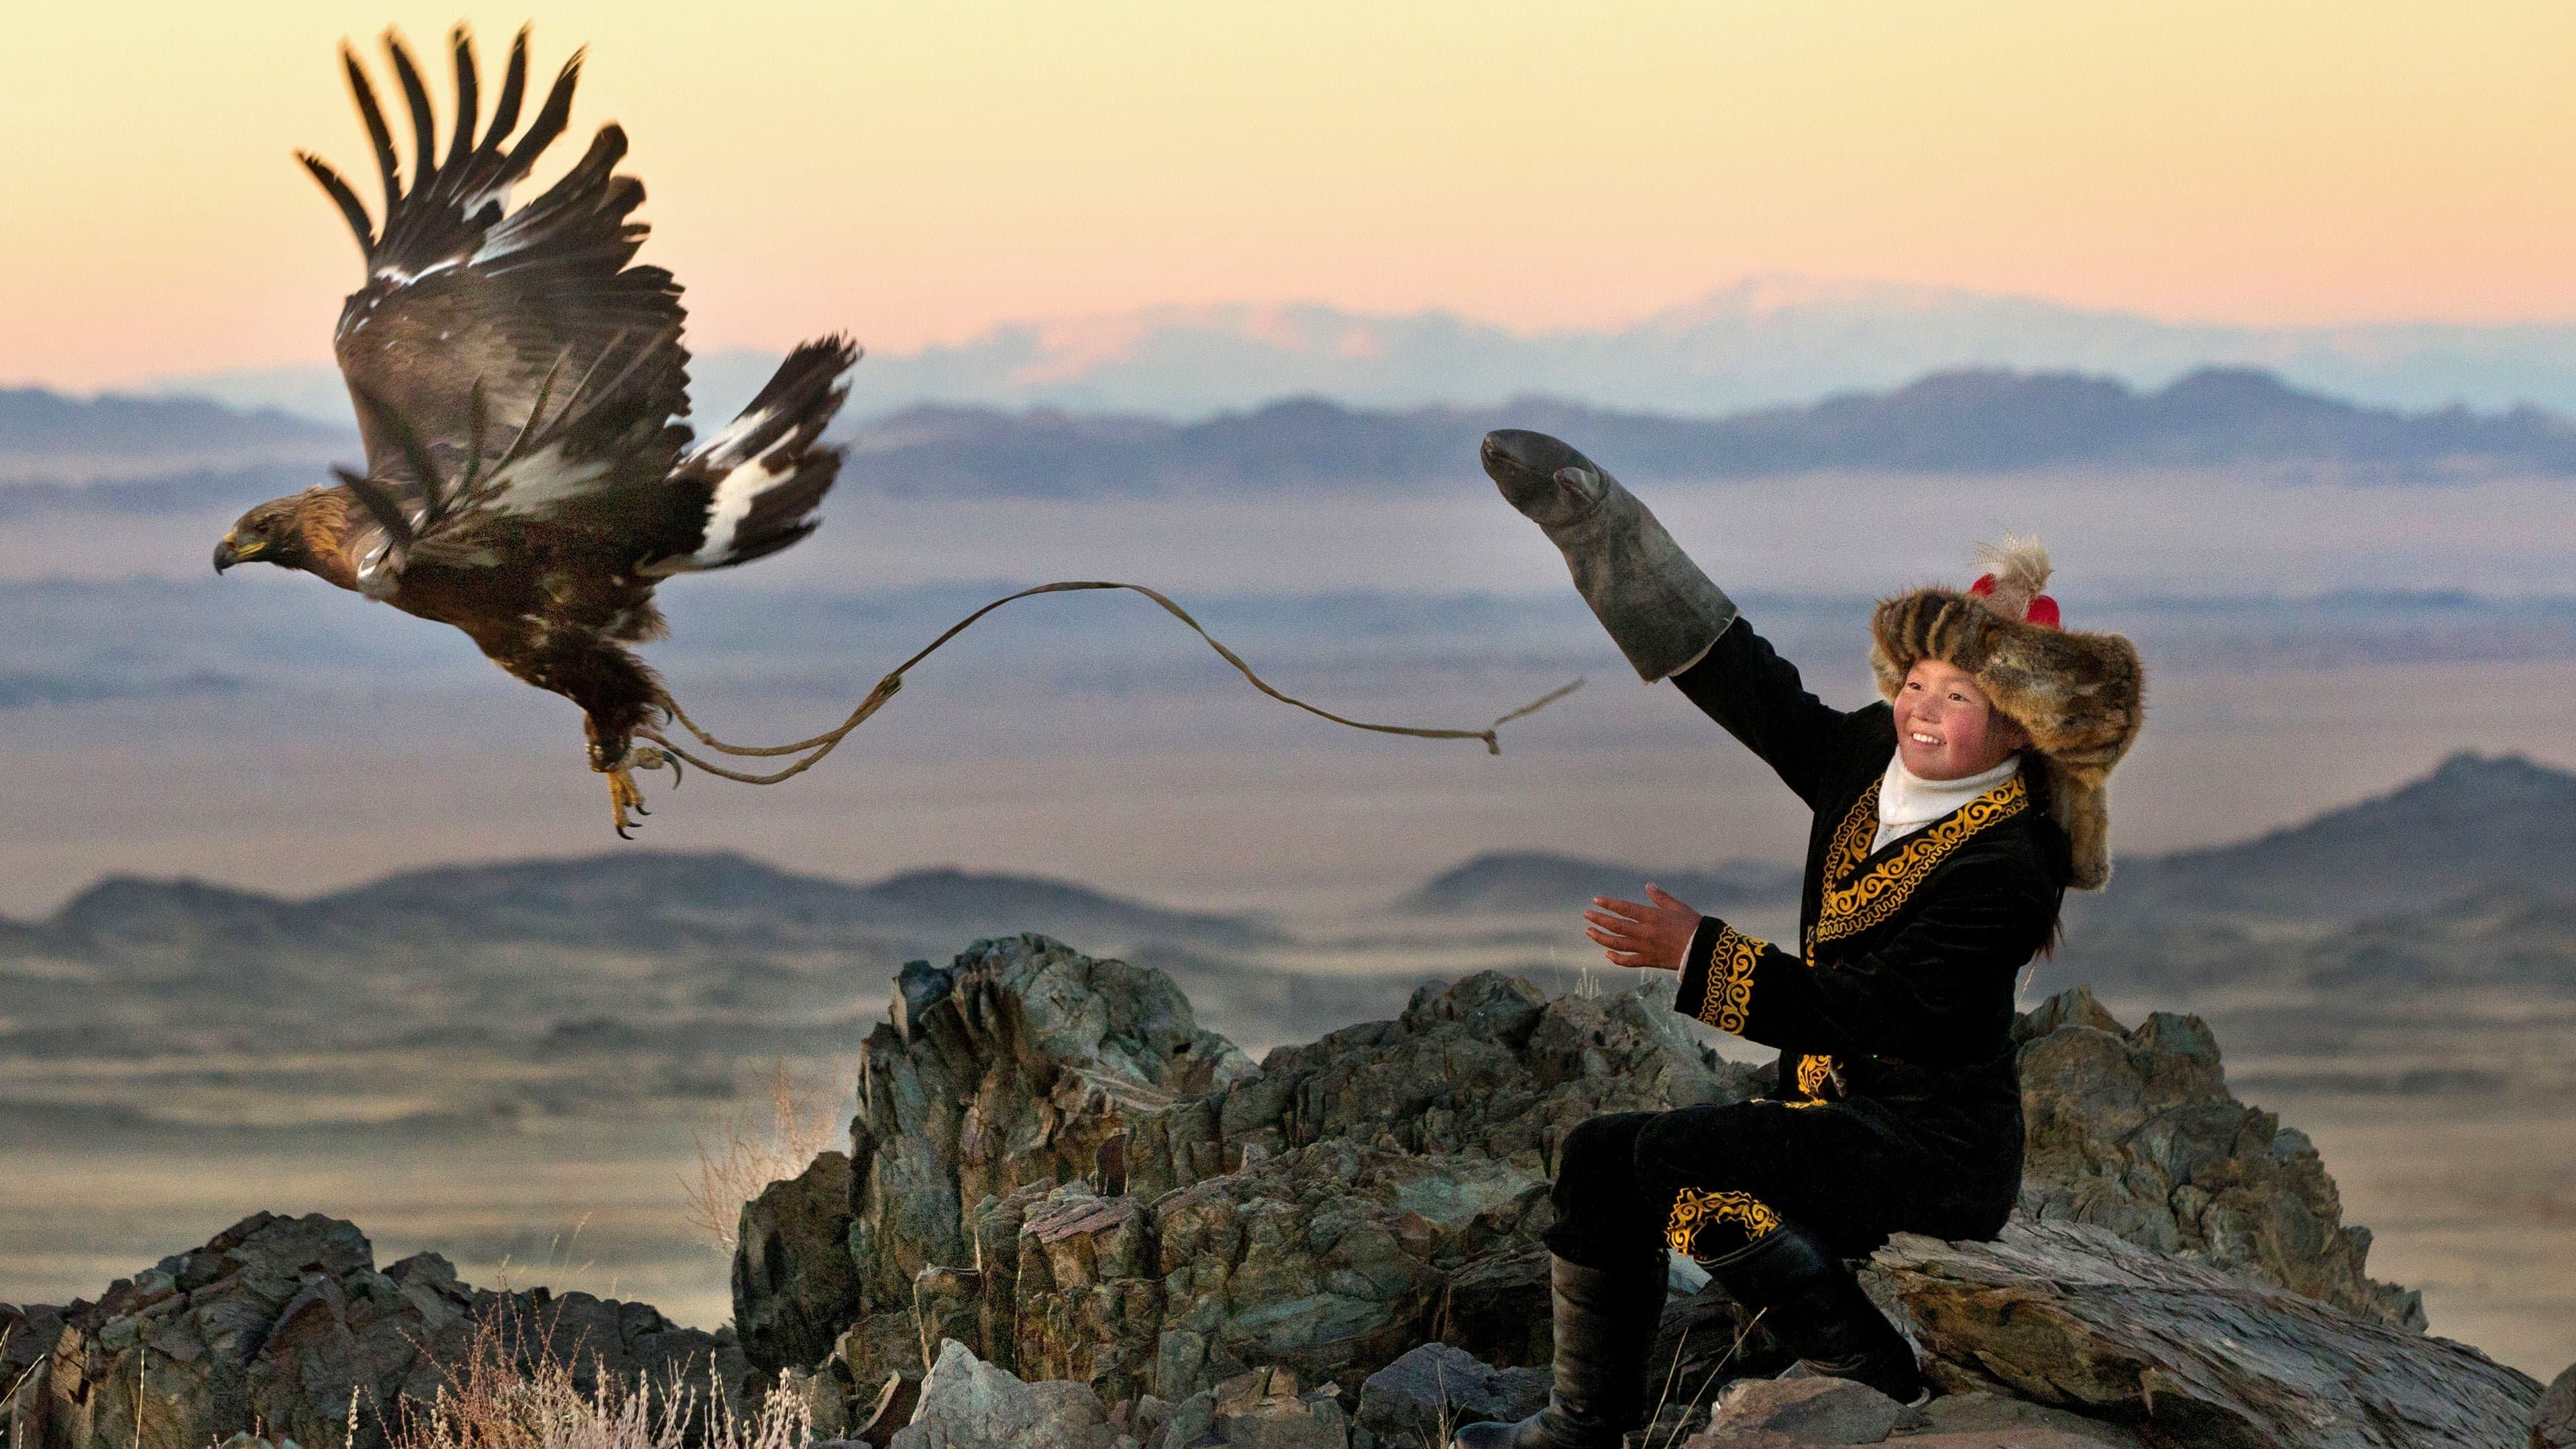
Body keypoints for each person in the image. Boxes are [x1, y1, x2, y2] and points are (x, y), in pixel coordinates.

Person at [1456, 430, 2143, 1446]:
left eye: (1960, 698)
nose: (1920, 709)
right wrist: (1599, 527)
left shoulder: (2011, 860)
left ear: (2020, 730)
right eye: (1916, 681)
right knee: (1602, 1156)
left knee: (1684, 1163)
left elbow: (1881, 1009)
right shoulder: (1871, 758)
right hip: (1831, 1121)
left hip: (1930, 1156)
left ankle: (1867, 1368)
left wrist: (1701, 954)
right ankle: (1582, 1431)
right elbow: (1746, 683)